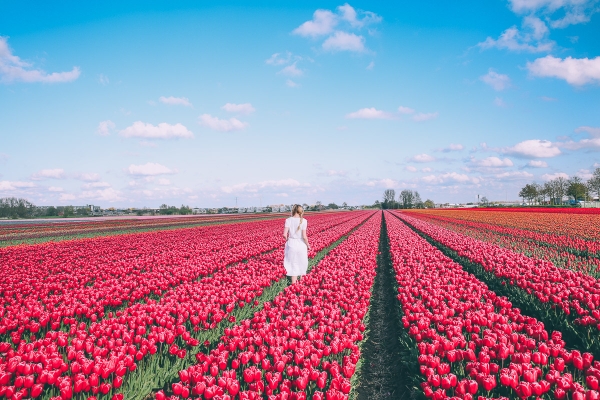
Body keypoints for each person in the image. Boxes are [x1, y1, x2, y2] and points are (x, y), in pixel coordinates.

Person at [283, 204, 310, 284]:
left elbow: (284, 234)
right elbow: (304, 237)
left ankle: (294, 284)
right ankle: (301, 284)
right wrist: (308, 245)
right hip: (301, 244)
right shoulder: (304, 221)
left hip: (292, 243)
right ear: (301, 211)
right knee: (302, 262)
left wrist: (288, 240)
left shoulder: (288, 220)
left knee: (293, 263)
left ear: (293, 210)